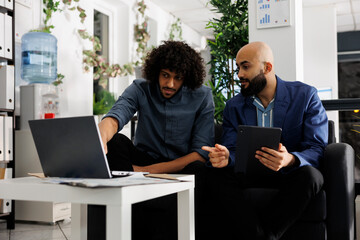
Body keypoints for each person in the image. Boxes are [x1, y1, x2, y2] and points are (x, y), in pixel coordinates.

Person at [88, 40, 214, 240]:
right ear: (156, 72)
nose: (170, 84)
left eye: (177, 78)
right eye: (165, 75)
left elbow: (199, 155)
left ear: (187, 78)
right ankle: (118, 224)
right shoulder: (140, 87)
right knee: (116, 142)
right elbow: (116, 115)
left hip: (179, 166)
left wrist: (143, 172)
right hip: (142, 158)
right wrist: (102, 134)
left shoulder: (203, 96)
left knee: (200, 169)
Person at [201, 41, 328, 240]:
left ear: (267, 67)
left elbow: (317, 147)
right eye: (238, 68)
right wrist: (227, 157)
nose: (239, 74)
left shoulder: (305, 96)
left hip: (290, 174)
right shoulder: (234, 106)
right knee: (212, 174)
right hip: (249, 174)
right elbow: (232, 148)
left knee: (311, 176)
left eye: (245, 66)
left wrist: (290, 159)